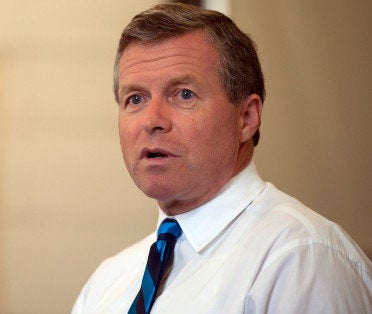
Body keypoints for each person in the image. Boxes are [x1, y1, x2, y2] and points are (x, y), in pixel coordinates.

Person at [72, 3, 372, 314]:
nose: (152, 120)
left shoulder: (301, 259)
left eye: (184, 94)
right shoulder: (107, 283)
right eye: (135, 98)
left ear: (246, 117)